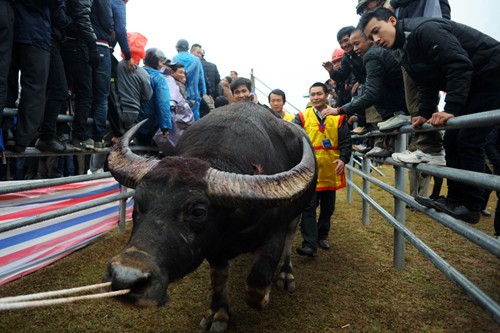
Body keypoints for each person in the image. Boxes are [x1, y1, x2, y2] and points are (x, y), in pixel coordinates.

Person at [359, 7, 500, 224]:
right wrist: (424, 113)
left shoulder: (425, 30)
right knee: (452, 138)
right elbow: (426, 82)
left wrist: (451, 107)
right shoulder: (400, 50)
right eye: (371, 37)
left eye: (377, 30)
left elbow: (458, 64)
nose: (376, 39)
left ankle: (472, 205)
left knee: (468, 140)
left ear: (392, 20)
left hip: (491, 73)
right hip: (474, 81)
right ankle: (454, 200)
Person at [327, 28, 408, 158]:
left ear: (369, 39)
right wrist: (332, 72)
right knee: (378, 117)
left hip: (394, 98)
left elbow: (372, 93)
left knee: (380, 116)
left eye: (354, 43)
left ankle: (383, 145)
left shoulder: (371, 55)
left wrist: (340, 110)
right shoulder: (351, 57)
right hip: (382, 95)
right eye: (341, 43)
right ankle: (378, 144)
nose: (347, 46)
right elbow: (344, 76)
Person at [292, 82, 351, 257]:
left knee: (328, 208)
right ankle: (309, 244)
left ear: (326, 95)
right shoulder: (301, 117)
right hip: (309, 170)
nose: (316, 97)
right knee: (308, 208)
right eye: (312, 94)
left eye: (319, 94)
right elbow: (294, 139)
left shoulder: (339, 117)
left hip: (331, 169)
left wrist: (343, 159)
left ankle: (322, 235)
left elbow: (346, 142)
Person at [8, 1, 53, 153]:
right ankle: (22, 139)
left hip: (11, 28)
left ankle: (5, 130)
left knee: (8, 84)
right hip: (37, 32)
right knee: (35, 89)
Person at [61, 0, 100, 152]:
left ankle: (63, 132)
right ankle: (79, 136)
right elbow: (82, 16)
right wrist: (92, 45)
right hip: (78, 43)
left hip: (66, 41)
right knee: (85, 93)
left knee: (62, 90)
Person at [135, 48, 172, 146]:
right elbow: (162, 103)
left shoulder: (135, 72)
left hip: (132, 120)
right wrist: (165, 126)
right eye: (160, 61)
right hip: (148, 123)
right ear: (154, 60)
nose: (162, 64)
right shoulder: (158, 78)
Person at [173, 39, 206, 121]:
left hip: (178, 96)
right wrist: (202, 92)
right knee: (194, 121)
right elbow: (201, 78)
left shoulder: (173, 59)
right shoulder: (196, 60)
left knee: (178, 120)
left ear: (177, 48)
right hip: (194, 96)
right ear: (188, 48)